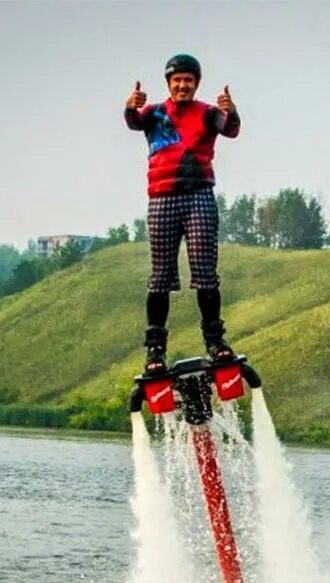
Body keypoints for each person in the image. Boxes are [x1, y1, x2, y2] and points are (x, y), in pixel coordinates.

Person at [124, 53, 241, 373]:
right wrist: (130, 105)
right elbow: (134, 121)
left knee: (205, 272)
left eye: (188, 80)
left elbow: (229, 129)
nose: (182, 85)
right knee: (160, 277)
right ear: (169, 84)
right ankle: (155, 351)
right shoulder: (155, 114)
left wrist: (232, 111)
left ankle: (216, 343)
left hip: (199, 195)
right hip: (161, 199)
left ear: (196, 84)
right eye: (177, 80)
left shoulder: (207, 113)